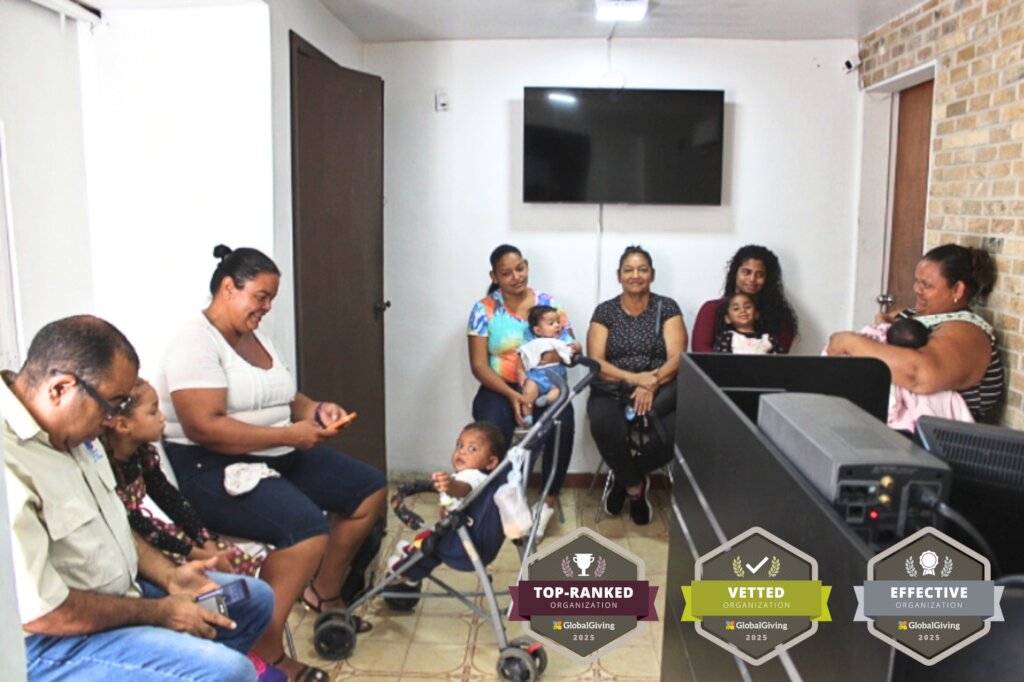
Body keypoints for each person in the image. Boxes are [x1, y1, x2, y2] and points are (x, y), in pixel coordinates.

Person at [158, 245, 387, 682]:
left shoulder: (257, 335)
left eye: (270, 299)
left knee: (368, 489)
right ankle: (265, 649)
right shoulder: (194, 341)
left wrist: (315, 410)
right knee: (305, 531)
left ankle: (322, 592)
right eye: (261, 297)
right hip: (212, 469)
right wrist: (288, 435)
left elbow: (284, 395)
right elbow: (203, 427)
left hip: (276, 455)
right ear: (229, 287)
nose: (266, 308)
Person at [3, 315, 274, 682]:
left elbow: (113, 522)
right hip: (49, 641)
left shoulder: (69, 431)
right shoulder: (11, 461)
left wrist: (172, 577)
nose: (112, 420)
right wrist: (162, 613)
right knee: (230, 671)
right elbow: (43, 612)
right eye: (113, 404)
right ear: (60, 389)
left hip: (121, 594)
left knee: (253, 599)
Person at [100, 378, 264, 576]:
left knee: (236, 562)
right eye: (153, 411)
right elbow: (136, 525)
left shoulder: (141, 454)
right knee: (208, 575)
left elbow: (172, 500)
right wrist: (197, 554)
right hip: (136, 544)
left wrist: (205, 540)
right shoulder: (104, 468)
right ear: (122, 425)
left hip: (157, 535)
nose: (162, 417)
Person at [467, 244, 579, 534]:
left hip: (546, 383)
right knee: (491, 425)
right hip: (499, 386)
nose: (516, 277)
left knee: (563, 423)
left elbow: (570, 347)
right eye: (506, 273)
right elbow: (478, 365)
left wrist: (563, 353)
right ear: (494, 276)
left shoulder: (549, 303)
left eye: (520, 269)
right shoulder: (484, 309)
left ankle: (547, 503)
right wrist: (512, 394)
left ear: (526, 265)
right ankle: (498, 498)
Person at [828, 243, 1004, 424]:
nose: (916, 289)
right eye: (917, 282)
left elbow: (918, 374)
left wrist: (850, 342)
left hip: (930, 437)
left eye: (926, 285)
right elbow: (885, 328)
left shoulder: (968, 332)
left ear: (957, 289)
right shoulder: (918, 312)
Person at [586, 245, 687, 525]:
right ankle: (635, 487)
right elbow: (596, 362)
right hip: (612, 388)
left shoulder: (667, 307)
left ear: (652, 274)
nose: (635, 275)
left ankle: (623, 481)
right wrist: (635, 379)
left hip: (661, 387)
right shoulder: (605, 311)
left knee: (677, 430)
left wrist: (650, 383)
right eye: (628, 270)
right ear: (618, 275)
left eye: (642, 269)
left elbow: (678, 358)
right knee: (604, 425)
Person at [389, 422, 506, 573]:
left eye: (472, 449)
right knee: (431, 536)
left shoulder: (473, 477)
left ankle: (406, 571)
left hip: (461, 545)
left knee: (431, 544)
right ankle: (413, 551)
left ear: (490, 462)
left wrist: (451, 485)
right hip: (469, 542)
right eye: (459, 445)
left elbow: (463, 488)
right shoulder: (486, 480)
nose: (462, 451)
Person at [691, 244, 798, 353]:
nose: (752, 279)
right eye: (747, 272)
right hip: (716, 364)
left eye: (760, 274)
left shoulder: (780, 317)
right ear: (735, 273)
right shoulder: (711, 309)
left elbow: (780, 359)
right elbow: (701, 352)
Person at [517, 305, 576, 426]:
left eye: (558, 322)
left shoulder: (563, 339)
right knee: (528, 391)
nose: (557, 325)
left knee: (559, 391)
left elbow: (574, 349)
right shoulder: (533, 342)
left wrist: (575, 347)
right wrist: (520, 371)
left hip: (556, 378)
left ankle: (546, 400)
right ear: (538, 330)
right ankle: (528, 415)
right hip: (536, 378)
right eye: (551, 323)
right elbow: (522, 356)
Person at [710, 292, 784, 354]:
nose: (742, 310)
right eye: (736, 309)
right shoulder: (726, 338)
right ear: (728, 319)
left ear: (756, 314)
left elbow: (779, 362)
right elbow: (721, 361)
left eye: (747, 307)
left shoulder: (769, 339)